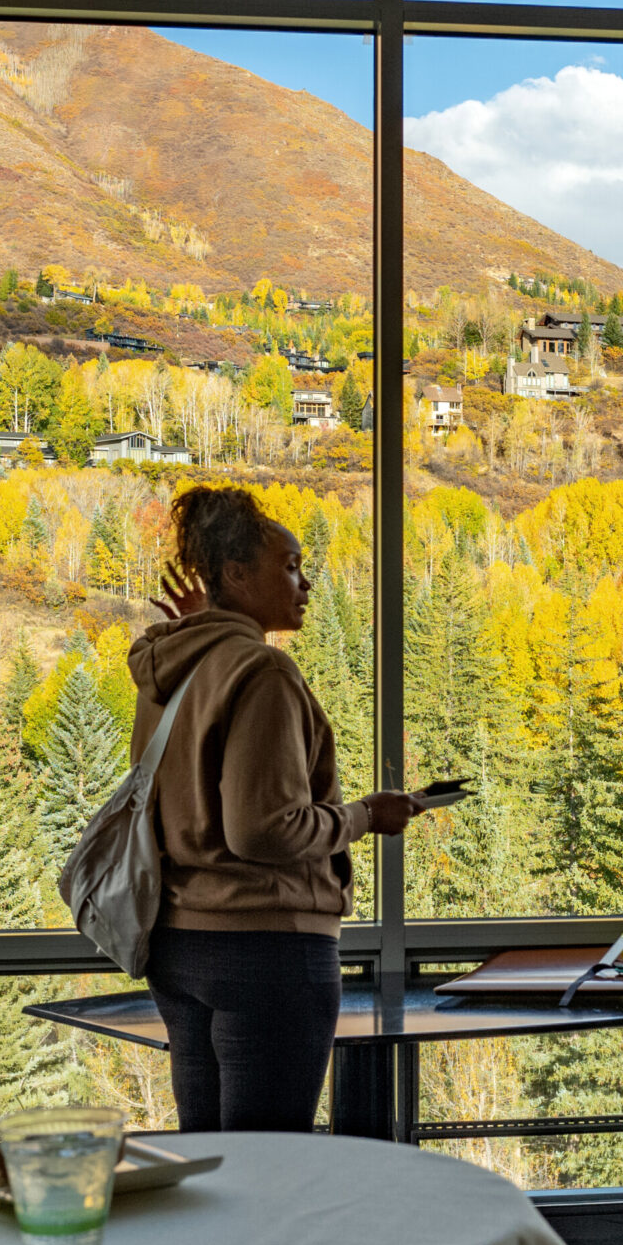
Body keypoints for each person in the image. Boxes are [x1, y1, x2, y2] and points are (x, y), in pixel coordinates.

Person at [132, 485, 421, 1133]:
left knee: (208, 1161)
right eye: (289, 565)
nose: (306, 581)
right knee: (268, 1163)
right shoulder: (262, 671)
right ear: (234, 574)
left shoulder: (169, 675)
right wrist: (366, 815)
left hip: (178, 944)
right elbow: (264, 828)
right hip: (266, 953)